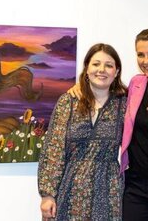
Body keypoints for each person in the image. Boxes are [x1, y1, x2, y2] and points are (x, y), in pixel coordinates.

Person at [68, 28, 148, 220]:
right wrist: (82, 85)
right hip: (134, 187)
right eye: (140, 54)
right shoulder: (136, 84)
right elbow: (107, 90)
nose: (146, 61)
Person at [38, 43, 127, 221]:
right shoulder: (68, 101)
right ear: (87, 68)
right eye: (96, 64)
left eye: (109, 65)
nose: (102, 70)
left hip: (109, 190)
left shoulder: (124, 104)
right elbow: (53, 149)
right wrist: (48, 194)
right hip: (70, 188)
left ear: (116, 72)